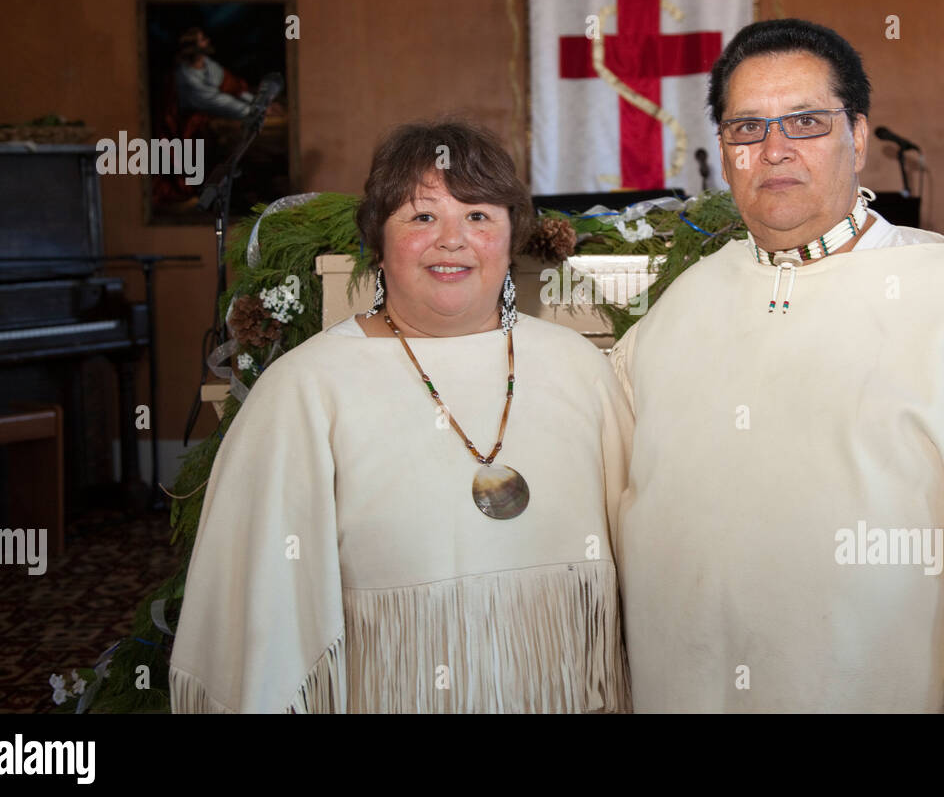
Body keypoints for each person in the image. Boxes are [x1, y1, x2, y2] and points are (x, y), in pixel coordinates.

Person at [610, 19, 944, 713]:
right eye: (747, 129)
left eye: (805, 121)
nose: (774, 151)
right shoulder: (675, 314)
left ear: (857, 136)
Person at [170, 121, 632, 712]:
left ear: (512, 236)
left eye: (479, 216)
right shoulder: (305, 388)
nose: (452, 240)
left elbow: (645, 555)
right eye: (421, 217)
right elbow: (261, 612)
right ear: (377, 245)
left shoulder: (578, 367)